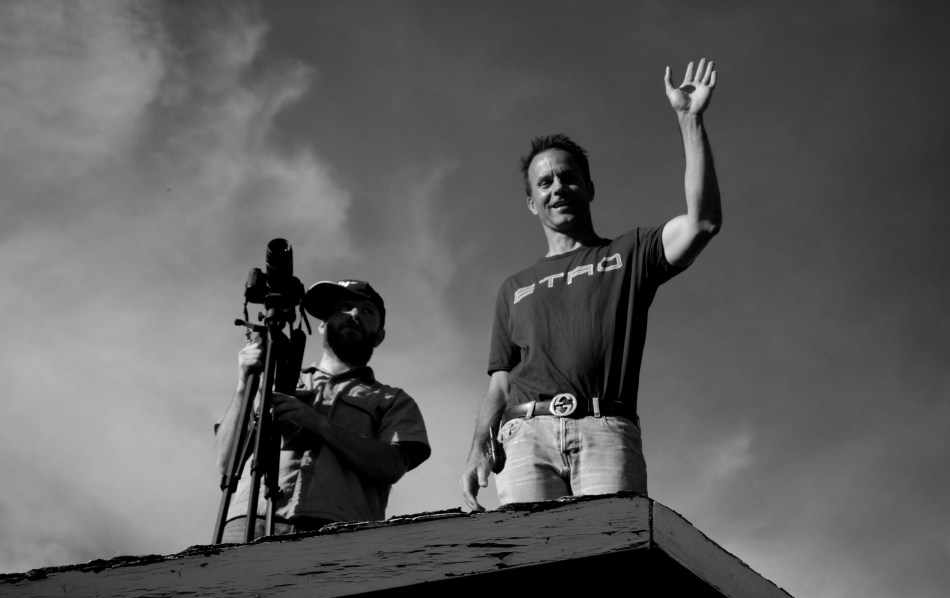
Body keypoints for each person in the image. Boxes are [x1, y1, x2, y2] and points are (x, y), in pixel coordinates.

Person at [460, 59, 722, 511]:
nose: (557, 187)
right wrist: (478, 447)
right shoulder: (514, 288)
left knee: (609, 569)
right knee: (530, 571)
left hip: (606, 431)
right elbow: (499, 387)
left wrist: (689, 119)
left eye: (568, 177)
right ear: (531, 202)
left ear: (589, 188)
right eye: (544, 182)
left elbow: (702, 222)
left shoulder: (629, 253)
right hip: (524, 437)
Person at [216, 279, 430, 541]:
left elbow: (392, 466)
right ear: (321, 324)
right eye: (344, 307)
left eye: (367, 311)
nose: (354, 315)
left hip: (339, 532)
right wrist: (243, 385)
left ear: (380, 336)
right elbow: (227, 462)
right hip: (251, 519)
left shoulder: (393, 400)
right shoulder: (276, 379)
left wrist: (318, 423)